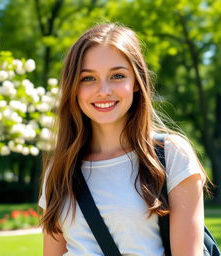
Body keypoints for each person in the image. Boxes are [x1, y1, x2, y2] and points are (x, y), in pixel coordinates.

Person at [38, 23, 208, 256]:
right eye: (88, 78)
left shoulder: (169, 155)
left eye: (117, 75)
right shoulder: (60, 168)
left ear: (137, 82)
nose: (103, 90)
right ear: (73, 87)